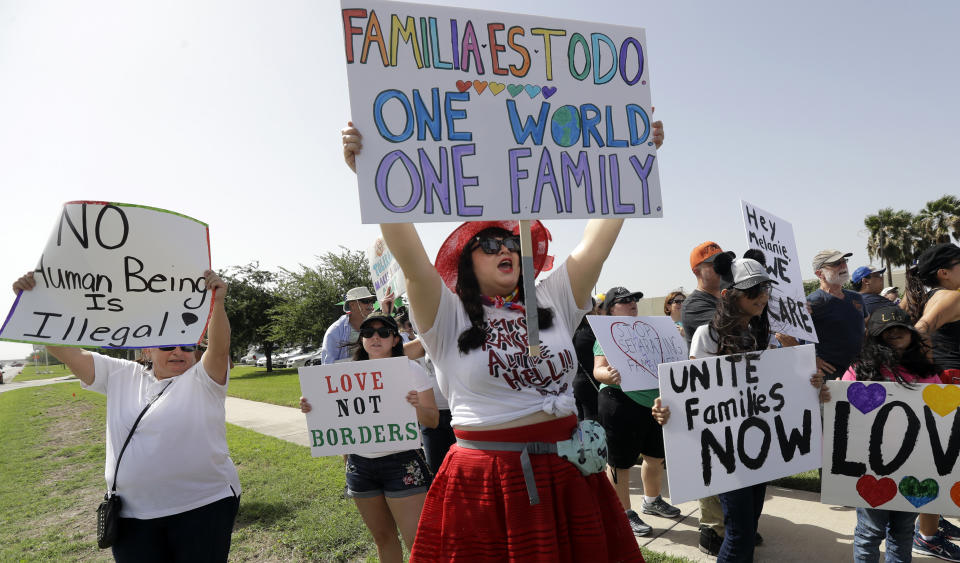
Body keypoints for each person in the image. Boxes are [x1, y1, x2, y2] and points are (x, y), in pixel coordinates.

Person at [342, 118, 662, 561]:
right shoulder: (447, 312)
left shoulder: (552, 298)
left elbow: (596, 243)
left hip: (570, 477)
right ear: (466, 262)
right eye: (490, 245)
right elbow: (411, 258)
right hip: (487, 482)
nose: (506, 250)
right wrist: (375, 174)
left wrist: (631, 162)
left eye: (512, 242)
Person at [12, 269, 241, 562]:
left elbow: (220, 349)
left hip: (203, 507)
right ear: (147, 348)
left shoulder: (204, 379)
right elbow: (67, 352)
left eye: (188, 346)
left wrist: (217, 304)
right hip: (133, 515)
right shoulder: (121, 374)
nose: (179, 352)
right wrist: (31, 303)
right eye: (168, 344)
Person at [652, 257, 827, 562]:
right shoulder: (708, 335)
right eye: (752, 291)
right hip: (725, 449)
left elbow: (786, 387)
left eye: (765, 289)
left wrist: (812, 383)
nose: (762, 296)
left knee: (749, 525)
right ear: (730, 295)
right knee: (738, 531)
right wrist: (668, 409)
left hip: (760, 448)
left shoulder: (769, 335)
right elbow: (694, 390)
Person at [300, 313, 438, 563]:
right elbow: (337, 419)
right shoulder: (344, 376)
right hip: (360, 466)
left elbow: (432, 420)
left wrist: (416, 407)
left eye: (384, 332)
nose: (376, 337)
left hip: (402, 462)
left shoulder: (411, 371)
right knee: (383, 539)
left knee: (417, 542)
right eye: (368, 333)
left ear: (395, 339)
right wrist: (314, 407)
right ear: (361, 339)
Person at [838, 305, 948, 562]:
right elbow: (839, 412)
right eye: (887, 331)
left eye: (901, 329)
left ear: (912, 334)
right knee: (869, 532)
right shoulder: (858, 372)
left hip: (915, 467)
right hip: (871, 469)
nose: (896, 334)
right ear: (875, 337)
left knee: (903, 531)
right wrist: (826, 395)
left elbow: (942, 419)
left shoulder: (928, 374)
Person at [594, 286, 680, 537]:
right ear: (610, 309)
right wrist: (607, 375)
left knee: (655, 457)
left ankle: (652, 501)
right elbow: (598, 368)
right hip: (619, 400)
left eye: (634, 299)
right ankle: (623, 513)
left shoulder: (650, 330)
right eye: (624, 300)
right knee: (620, 463)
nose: (632, 303)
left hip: (652, 403)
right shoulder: (606, 334)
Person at [903, 242, 960, 557]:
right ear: (944, 271)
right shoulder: (950, 296)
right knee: (942, 465)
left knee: (941, 463)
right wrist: (928, 375)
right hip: (948, 388)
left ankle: (932, 525)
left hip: (945, 389)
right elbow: (921, 330)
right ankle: (926, 536)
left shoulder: (935, 295)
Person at [681, 240, 735, 554]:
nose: (723, 269)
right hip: (710, 395)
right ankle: (712, 531)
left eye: (725, 262)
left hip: (732, 394)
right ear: (698, 271)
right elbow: (723, 331)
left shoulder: (726, 297)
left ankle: (734, 524)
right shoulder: (695, 305)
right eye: (717, 264)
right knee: (714, 463)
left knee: (734, 460)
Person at [808, 250, 867, 380]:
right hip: (831, 375)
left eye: (844, 261)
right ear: (819, 273)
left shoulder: (857, 297)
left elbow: (867, 328)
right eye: (836, 263)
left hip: (861, 371)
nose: (843, 266)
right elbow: (799, 340)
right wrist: (813, 359)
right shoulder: (810, 302)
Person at [321, 286, 376, 365]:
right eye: (366, 301)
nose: (371, 305)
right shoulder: (335, 331)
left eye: (372, 301)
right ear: (352, 305)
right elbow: (327, 364)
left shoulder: (375, 325)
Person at [573, 296, 601, 421]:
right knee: (592, 424)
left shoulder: (571, 331)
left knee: (580, 422)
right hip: (590, 385)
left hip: (574, 384)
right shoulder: (592, 333)